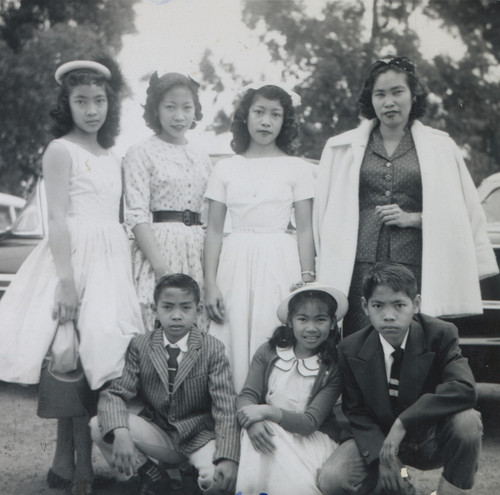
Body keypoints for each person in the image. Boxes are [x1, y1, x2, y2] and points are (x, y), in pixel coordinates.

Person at [0, 57, 144, 494]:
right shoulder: (60, 149)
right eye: (81, 101)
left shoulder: (112, 156)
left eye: (99, 100)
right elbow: (58, 218)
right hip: (73, 256)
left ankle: (75, 457)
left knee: (99, 355)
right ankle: (75, 462)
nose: (91, 110)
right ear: (67, 104)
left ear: (110, 105)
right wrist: (65, 280)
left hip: (110, 257)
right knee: (71, 355)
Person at [314, 55, 498, 336]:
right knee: (360, 339)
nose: (389, 101)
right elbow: (323, 212)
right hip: (359, 263)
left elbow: (462, 213)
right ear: (371, 99)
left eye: (397, 92)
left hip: (417, 261)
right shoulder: (341, 147)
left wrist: (415, 218)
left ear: (413, 96)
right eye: (380, 94)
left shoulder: (441, 147)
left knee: (415, 342)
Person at [318, 262, 482, 495]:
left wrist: (403, 421)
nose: (388, 316)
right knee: (332, 479)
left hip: (428, 438)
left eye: (399, 305)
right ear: (365, 306)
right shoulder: (350, 348)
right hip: (381, 441)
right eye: (378, 306)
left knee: (467, 421)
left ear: (415, 304)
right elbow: (356, 411)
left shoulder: (440, 334)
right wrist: (380, 458)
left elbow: (464, 388)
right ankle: (402, 487)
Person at [204, 82, 316, 391]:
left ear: (285, 121)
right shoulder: (226, 168)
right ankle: (231, 415)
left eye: (275, 115)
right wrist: (211, 284)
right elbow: (214, 230)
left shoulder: (297, 167)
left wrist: (307, 281)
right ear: (245, 116)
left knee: (273, 328)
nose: (266, 121)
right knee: (233, 332)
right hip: (236, 258)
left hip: (279, 257)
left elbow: (305, 228)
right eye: (259, 112)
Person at [90, 274, 240, 495]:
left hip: (199, 436)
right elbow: (115, 393)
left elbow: (225, 407)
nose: (176, 316)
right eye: (168, 307)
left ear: (198, 310)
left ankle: (189, 476)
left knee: (219, 482)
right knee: (100, 425)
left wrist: (228, 457)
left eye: (185, 308)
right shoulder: (141, 345)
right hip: (159, 431)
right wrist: (121, 432)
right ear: (154, 308)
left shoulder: (212, 348)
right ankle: (147, 475)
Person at [235, 282, 348, 495]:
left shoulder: (333, 366)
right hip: (267, 430)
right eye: (302, 319)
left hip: (310, 439)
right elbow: (247, 396)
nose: (311, 328)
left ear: (333, 323)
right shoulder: (269, 351)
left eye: (321, 319)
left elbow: (309, 423)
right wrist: (252, 423)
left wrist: (266, 411)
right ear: (290, 321)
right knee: (260, 438)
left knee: (295, 486)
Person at [123, 72, 212, 332]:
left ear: (195, 111)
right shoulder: (141, 152)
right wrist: (162, 269)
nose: (179, 116)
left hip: (196, 249)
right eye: (170, 107)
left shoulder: (201, 155)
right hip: (158, 249)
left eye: (187, 107)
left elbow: (209, 215)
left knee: (196, 328)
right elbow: (136, 214)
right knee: (156, 323)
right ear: (156, 109)